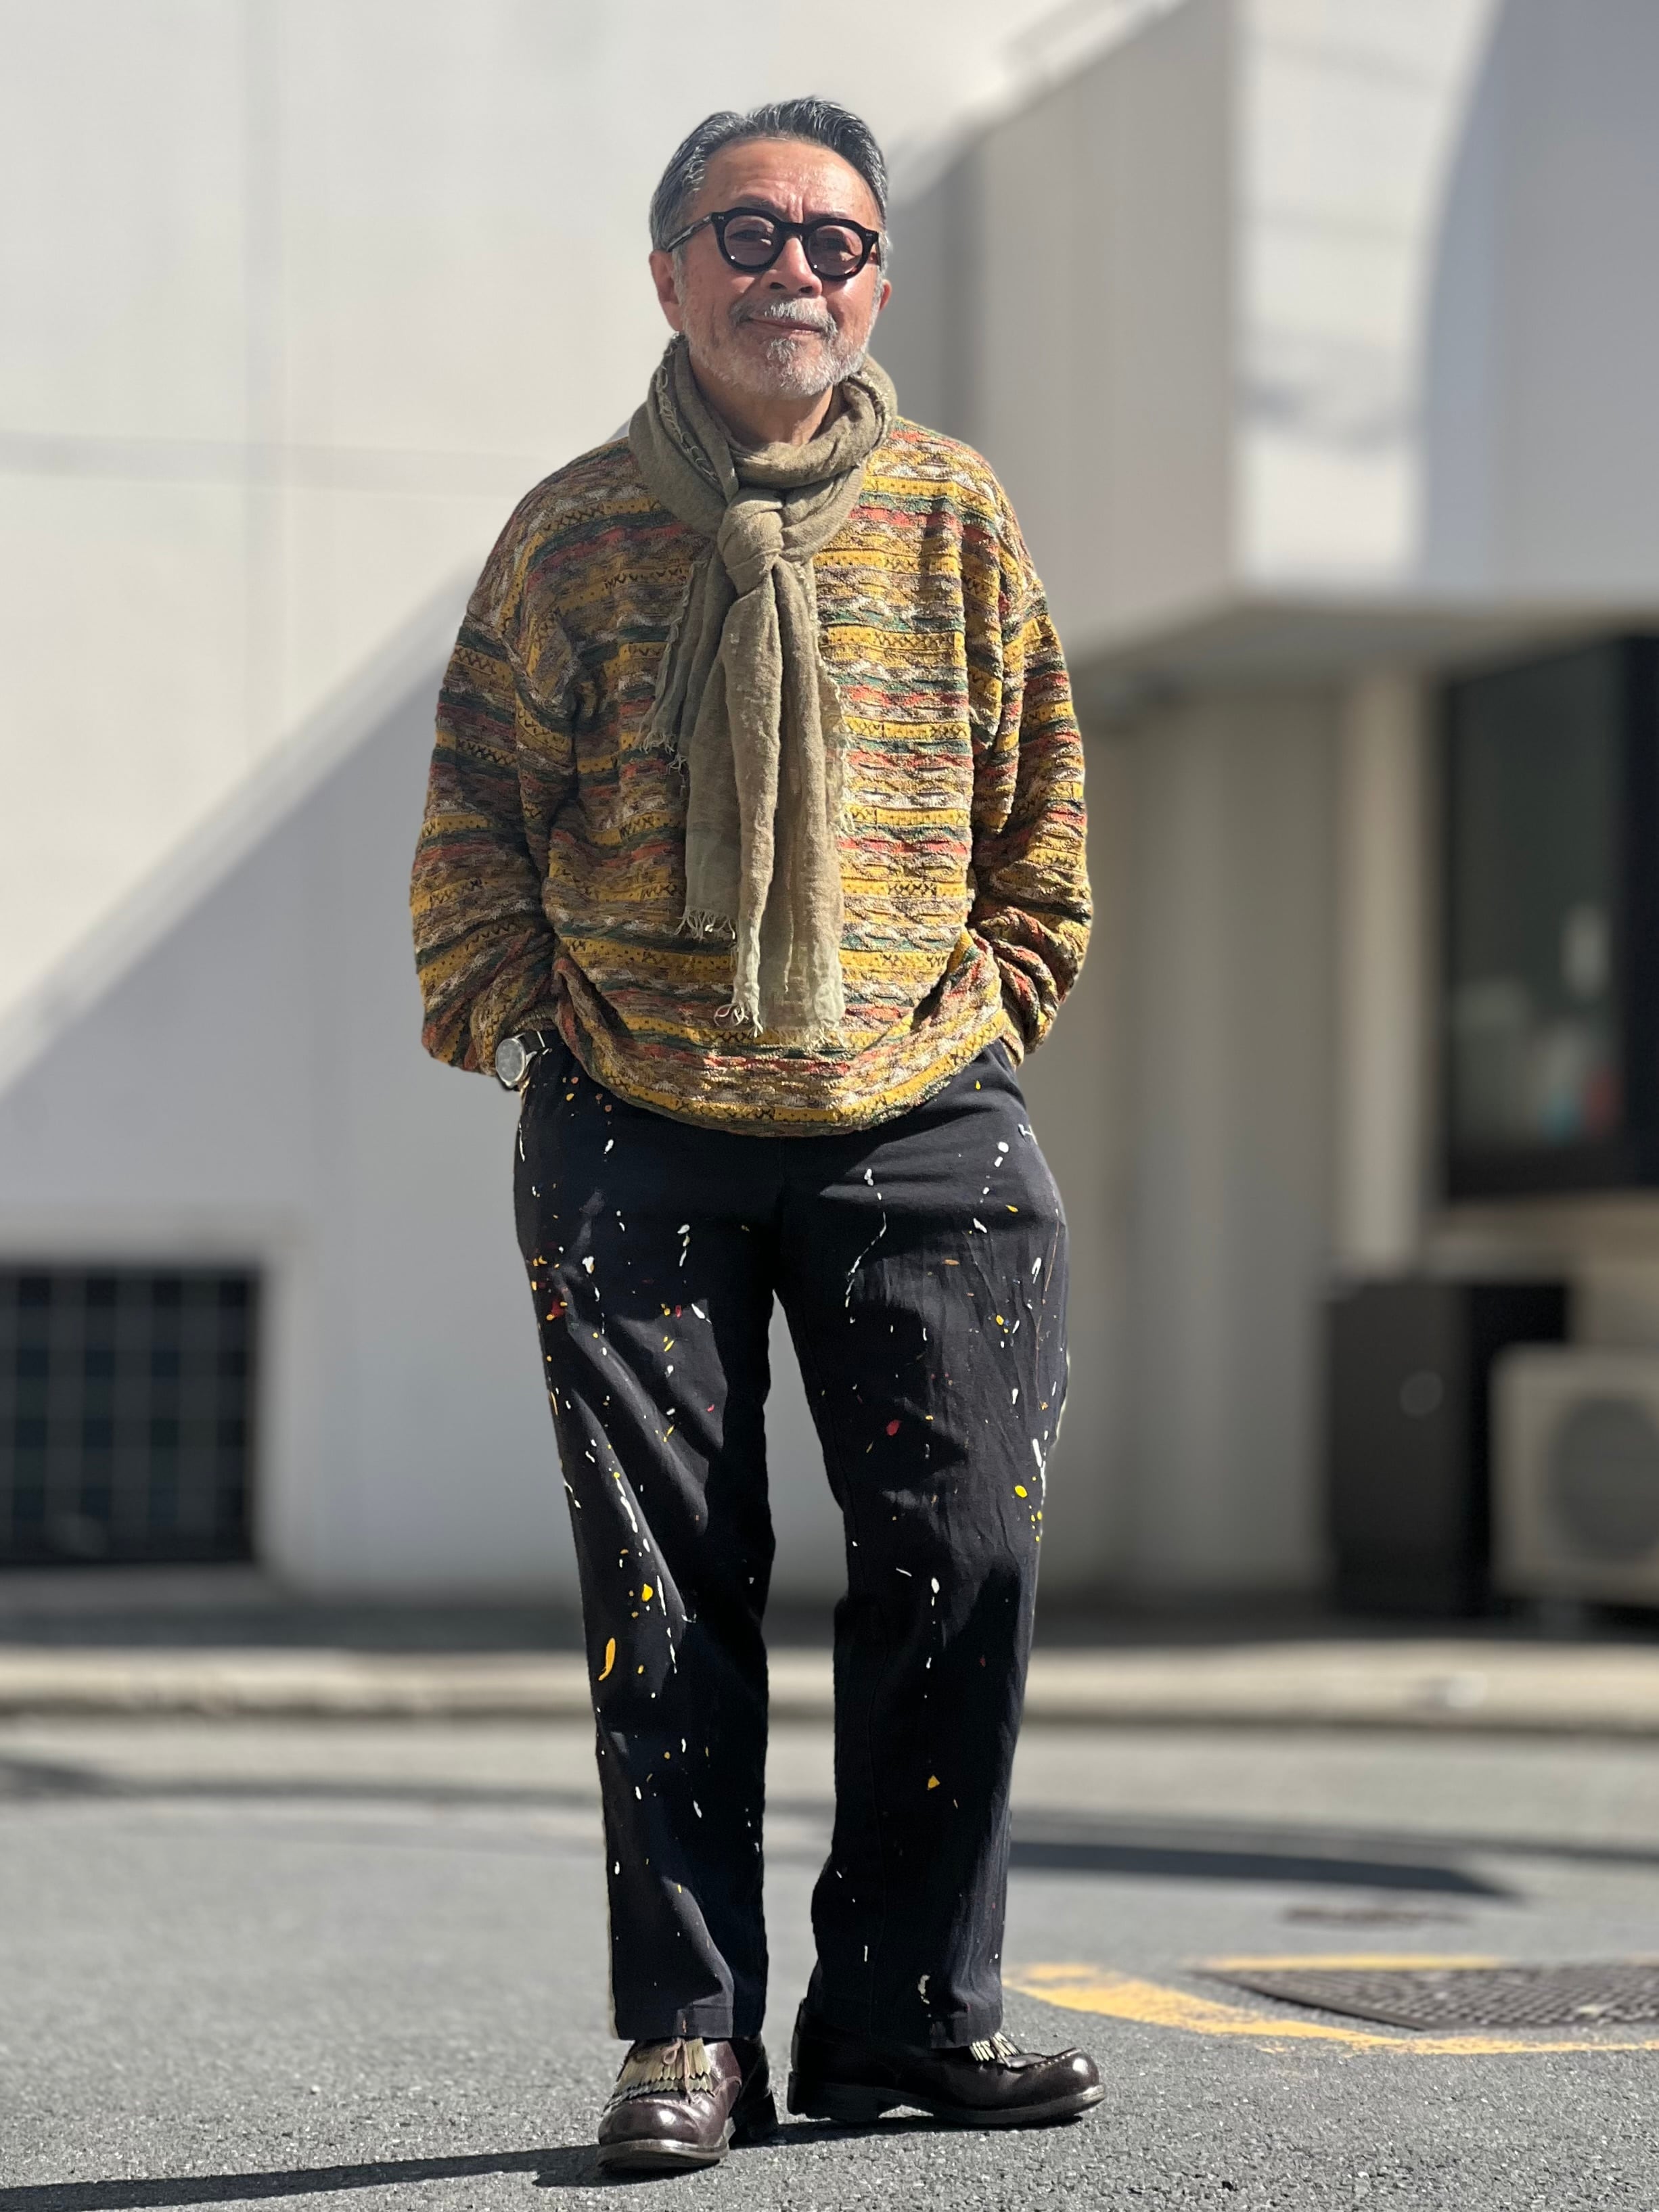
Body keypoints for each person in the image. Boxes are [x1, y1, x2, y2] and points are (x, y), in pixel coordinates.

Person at [410, 96, 1099, 2175]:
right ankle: (688, 2038)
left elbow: (1041, 810)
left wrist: (1002, 993)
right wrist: (532, 1025)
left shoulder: (955, 513)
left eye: (836, 240)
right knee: (665, 1590)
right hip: (636, 1119)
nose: (795, 269)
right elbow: (472, 817)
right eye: (749, 233)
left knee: (964, 1558)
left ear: (873, 281)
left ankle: (903, 2015)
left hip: (923, 1115)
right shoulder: (571, 533)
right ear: (669, 273)